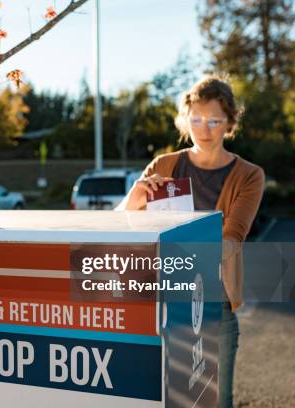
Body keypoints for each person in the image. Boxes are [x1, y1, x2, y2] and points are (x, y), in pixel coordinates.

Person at [117, 75, 265, 408]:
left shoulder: (249, 175)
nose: (204, 128)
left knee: (215, 400)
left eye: (214, 120)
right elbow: (124, 224)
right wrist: (136, 197)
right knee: (162, 397)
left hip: (215, 305)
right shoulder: (165, 165)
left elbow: (232, 237)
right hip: (161, 303)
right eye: (196, 119)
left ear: (229, 123)